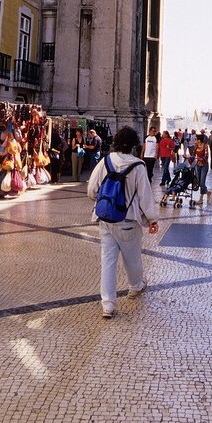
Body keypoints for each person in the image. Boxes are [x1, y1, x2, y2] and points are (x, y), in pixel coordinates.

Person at [87, 125, 159, 318]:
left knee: (108, 261)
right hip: (128, 221)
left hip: (106, 220)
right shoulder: (138, 166)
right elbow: (145, 196)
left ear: (116, 142)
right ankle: (136, 286)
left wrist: (104, 202)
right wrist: (152, 219)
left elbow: (91, 190)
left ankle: (108, 305)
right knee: (132, 258)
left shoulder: (106, 161)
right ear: (134, 145)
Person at [194, 133, 210, 203]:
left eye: (196, 139)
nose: (194, 140)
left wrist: (201, 159)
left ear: (199, 140)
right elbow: (193, 155)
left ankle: (201, 198)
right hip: (198, 165)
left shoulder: (205, 146)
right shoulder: (196, 146)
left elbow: (206, 156)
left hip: (204, 165)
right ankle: (207, 192)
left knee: (202, 182)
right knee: (199, 182)